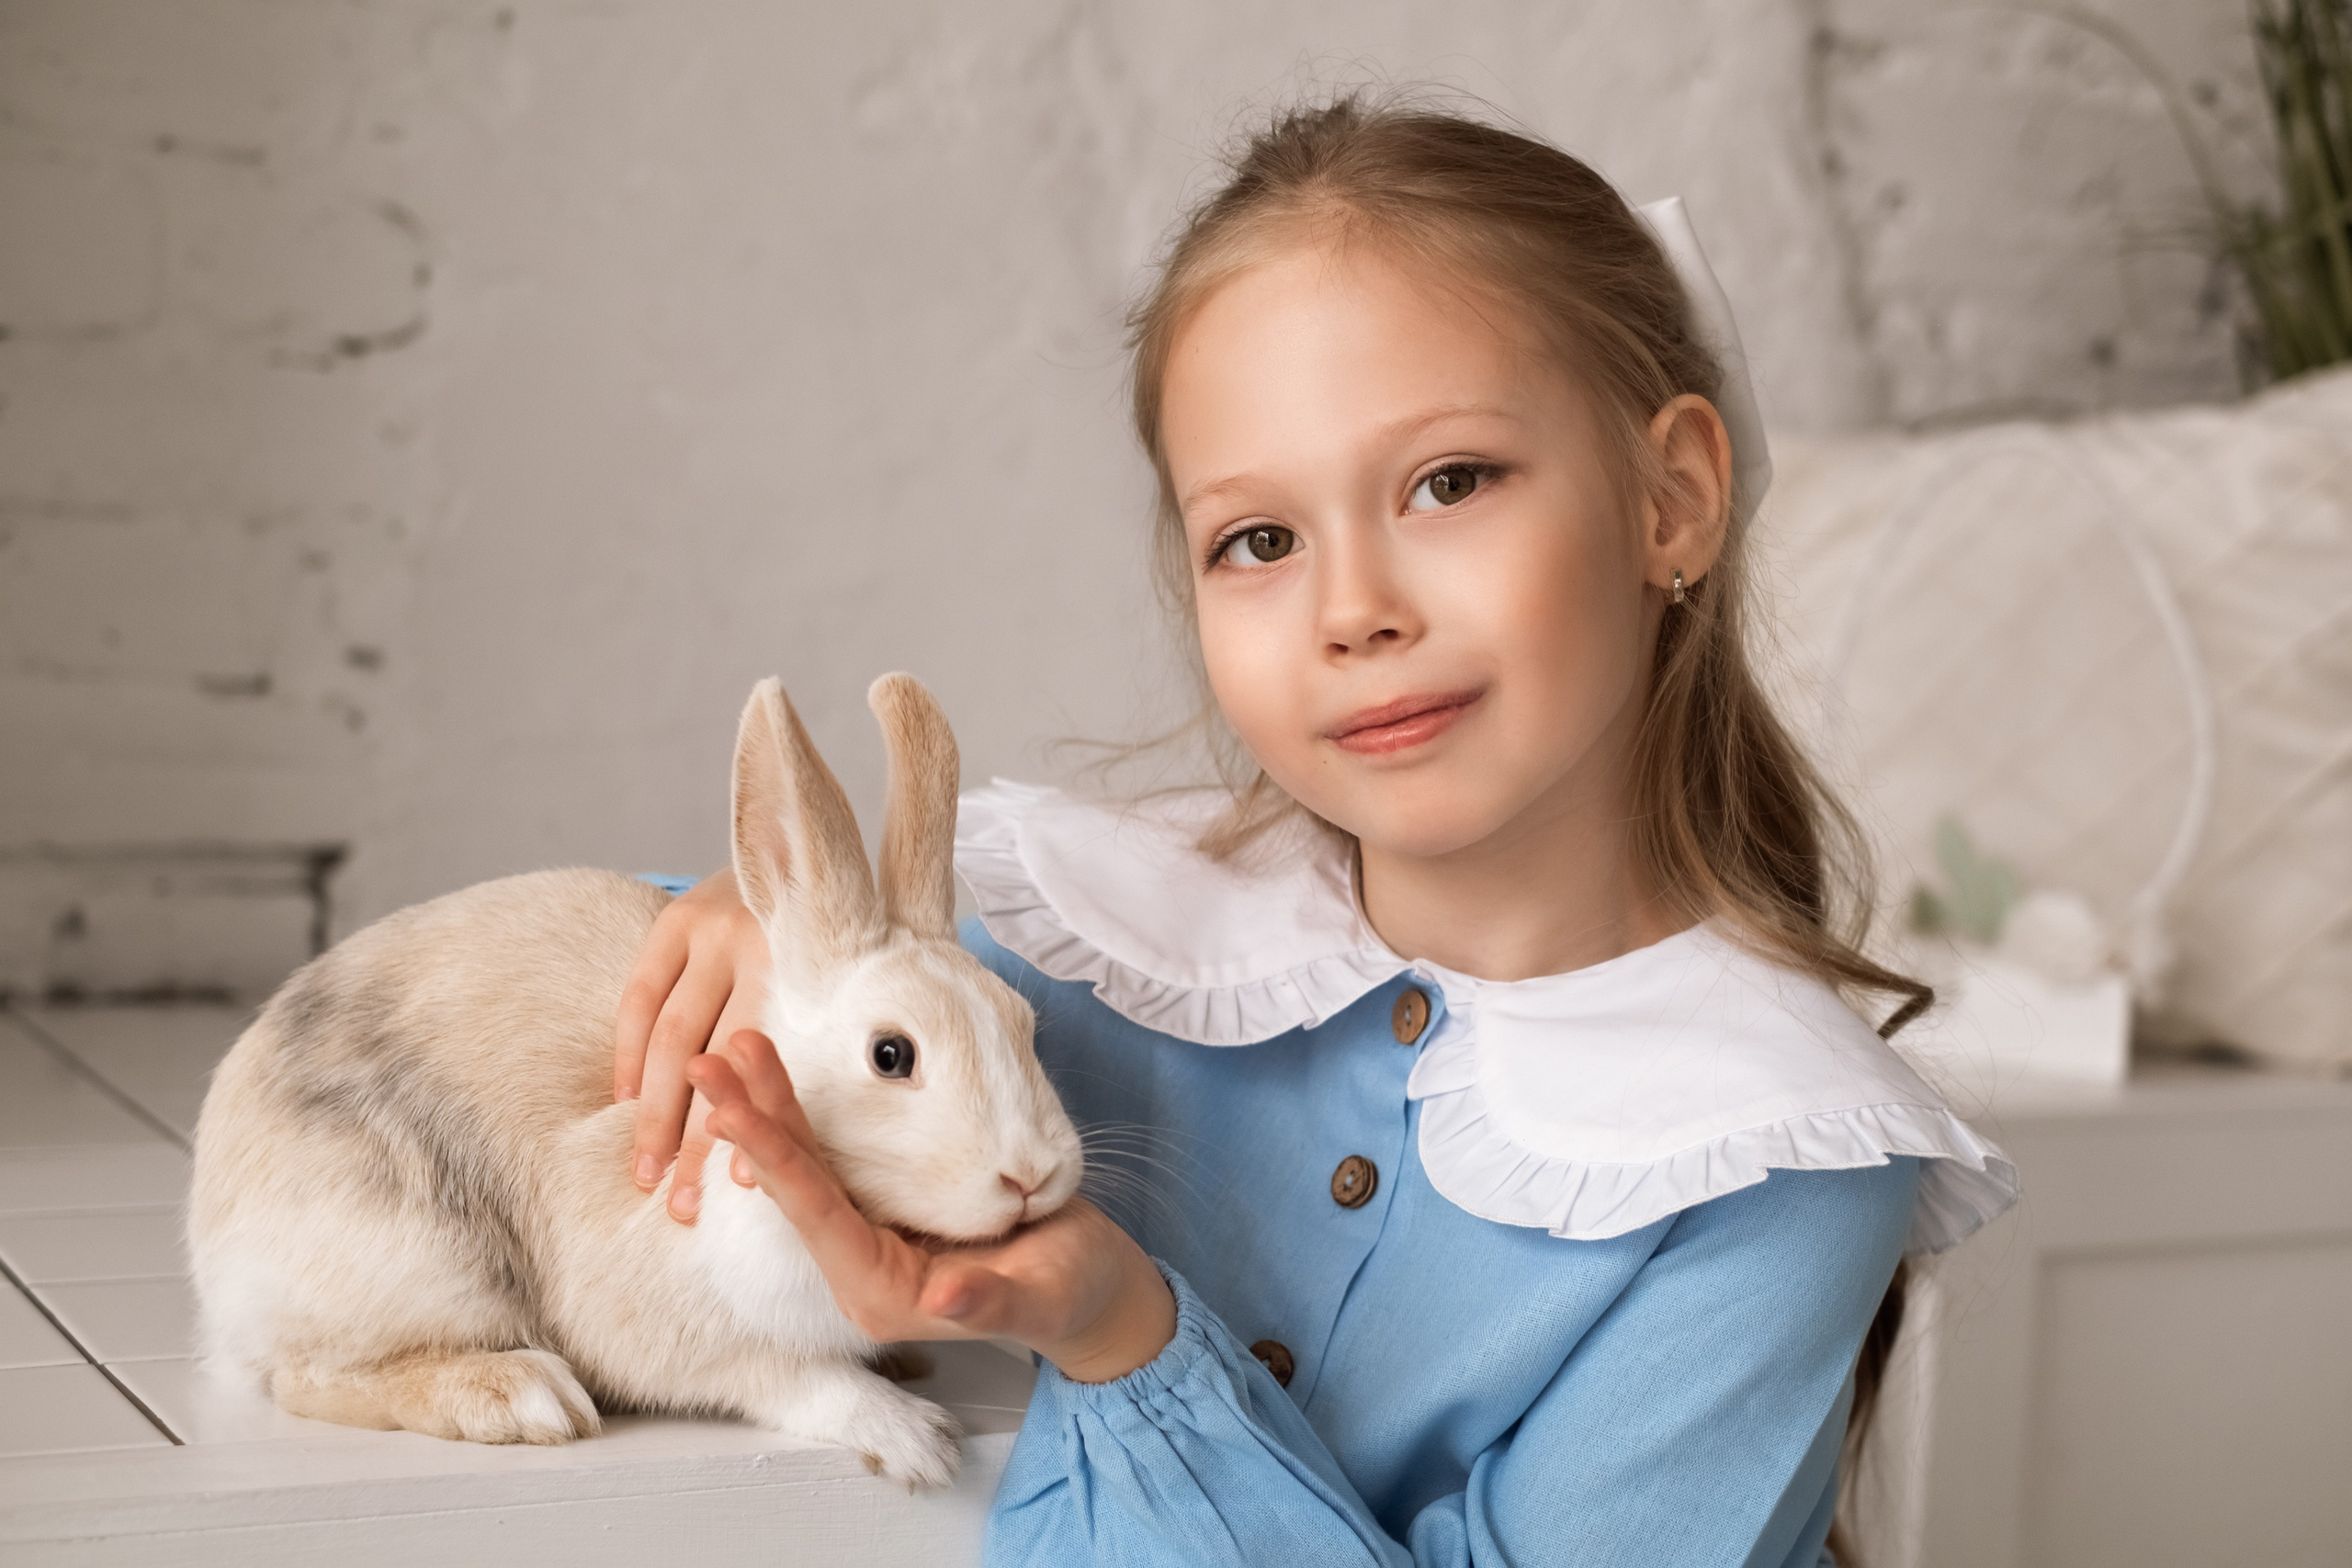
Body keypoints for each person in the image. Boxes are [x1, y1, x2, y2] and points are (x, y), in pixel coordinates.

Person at [616, 96, 2018, 1567]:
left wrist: (1119, 1333)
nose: (1355, 609)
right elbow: (648, 1066)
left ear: (1671, 499)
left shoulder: (1773, 1156)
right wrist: (769, 942)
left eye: (1449, 481)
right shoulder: (1093, 944)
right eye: (1261, 541)